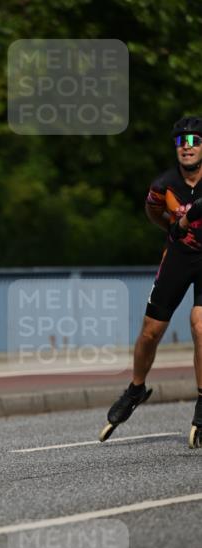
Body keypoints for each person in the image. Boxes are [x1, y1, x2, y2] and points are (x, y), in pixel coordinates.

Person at [100, 116, 202, 447]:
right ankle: (136, 388)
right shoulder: (164, 185)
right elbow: (153, 210)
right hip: (179, 256)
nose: (187, 149)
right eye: (180, 143)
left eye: (194, 142)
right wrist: (170, 228)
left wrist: (187, 219)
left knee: (200, 325)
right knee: (150, 331)